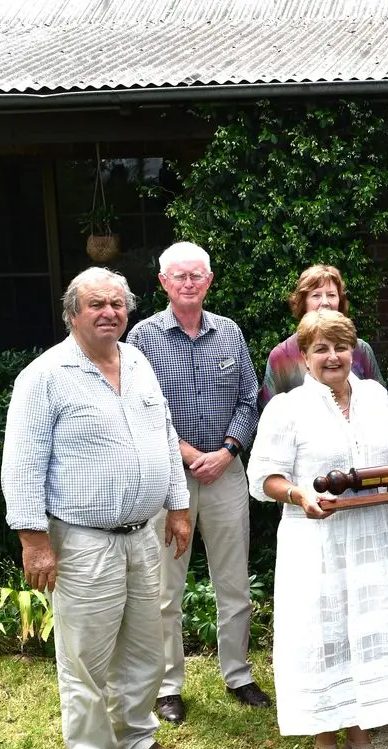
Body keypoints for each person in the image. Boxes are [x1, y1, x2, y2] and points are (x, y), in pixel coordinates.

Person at [2, 267, 192, 749]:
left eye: (117, 303)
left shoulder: (138, 363)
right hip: (83, 539)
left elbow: (165, 435)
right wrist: (34, 541)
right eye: (96, 304)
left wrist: (177, 506)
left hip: (143, 533)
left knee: (144, 646)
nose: (109, 312)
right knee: (85, 657)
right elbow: (22, 464)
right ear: (72, 313)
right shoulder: (44, 377)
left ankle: (135, 738)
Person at [247, 309, 388, 749]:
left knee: (365, 630)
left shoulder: (375, 397)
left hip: (367, 536)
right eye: (321, 348)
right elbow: (262, 477)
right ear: (303, 357)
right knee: (323, 635)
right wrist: (301, 494)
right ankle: (326, 745)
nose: (333, 357)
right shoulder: (287, 408)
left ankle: (360, 742)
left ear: (355, 352)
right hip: (314, 539)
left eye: (341, 347)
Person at [127, 242, 269, 724]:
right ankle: (168, 686)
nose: (188, 283)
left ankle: (239, 673)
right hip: (169, 481)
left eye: (197, 276)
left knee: (234, 583)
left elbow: (251, 398)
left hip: (227, 473)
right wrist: (189, 454)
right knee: (165, 588)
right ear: (163, 283)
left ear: (209, 281)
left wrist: (228, 450)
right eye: (179, 276)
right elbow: (142, 409)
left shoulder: (229, 332)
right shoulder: (143, 338)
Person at [259, 263, 383, 408]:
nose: (325, 302)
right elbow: (269, 413)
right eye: (316, 295)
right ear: (303, 303)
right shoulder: (281, 356)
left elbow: (378, 403)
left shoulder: (361, 350)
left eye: (331, 295)